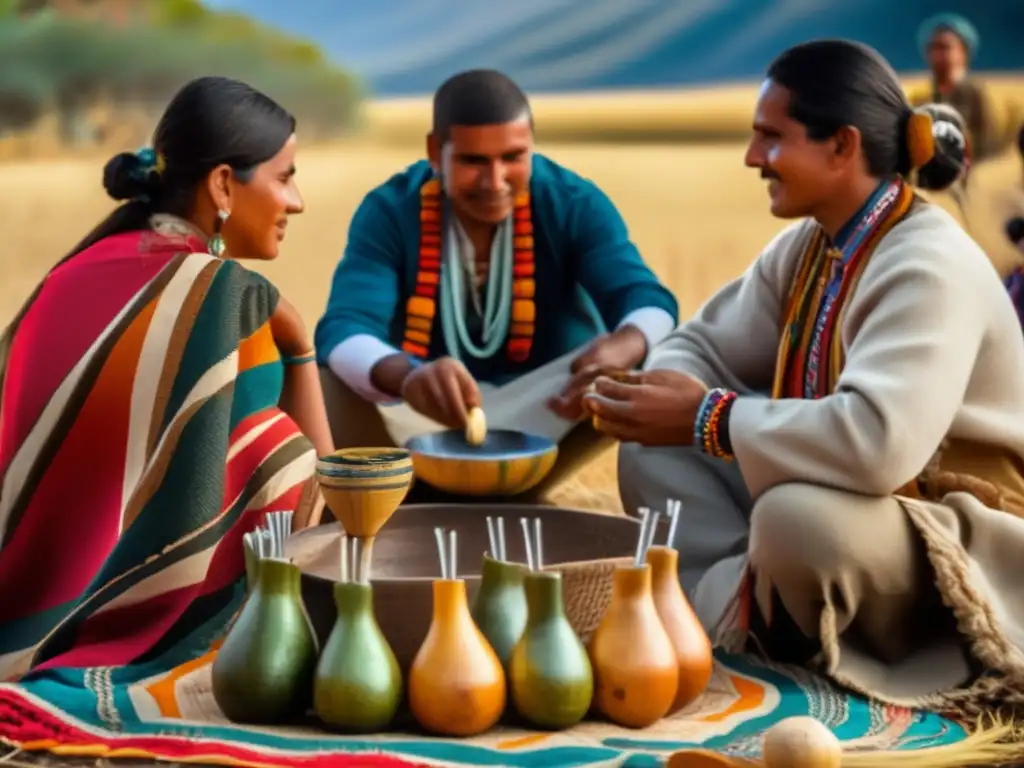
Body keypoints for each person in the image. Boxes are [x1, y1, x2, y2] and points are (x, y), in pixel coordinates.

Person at [591, 40, 1024, 713]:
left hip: (955, 532)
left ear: (842, 147)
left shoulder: (926, 264)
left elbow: (878, 444)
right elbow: (701, 346)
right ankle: (744, 618)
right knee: (654, 444)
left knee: (795, 522)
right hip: (849, 506)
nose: (752, 157)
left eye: (772, 137)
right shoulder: (811, 246)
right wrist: (655, 399)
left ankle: (767, 617)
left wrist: (710, 417)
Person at [0, 76, 332, 682]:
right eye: (285, 177)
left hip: (21, 600)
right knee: (275, 451)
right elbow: (324, 497)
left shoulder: (67, 276)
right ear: (225, 184)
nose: (298, 201)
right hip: (123, 626)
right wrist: (302, 345)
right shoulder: (222, 299)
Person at [314, 69, 677, 499]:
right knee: (321, 380)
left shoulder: (572, 201)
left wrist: (621, 348)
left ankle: (525, 486)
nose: (495, 181)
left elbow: (646, 299)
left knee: (654, 361)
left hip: (552, 409)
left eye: (513, 157)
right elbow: (344, 327)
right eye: (473, 161)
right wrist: (407, 376)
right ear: (436, 152)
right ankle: (403, 491)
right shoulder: (392, 208)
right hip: (417, 416)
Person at [910, 13, 999, 162]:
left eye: (945, 47)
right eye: (933, 48)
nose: (938, 54)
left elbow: (988, 142)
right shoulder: (922, 99)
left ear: (963, 51)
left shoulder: (975, 93)